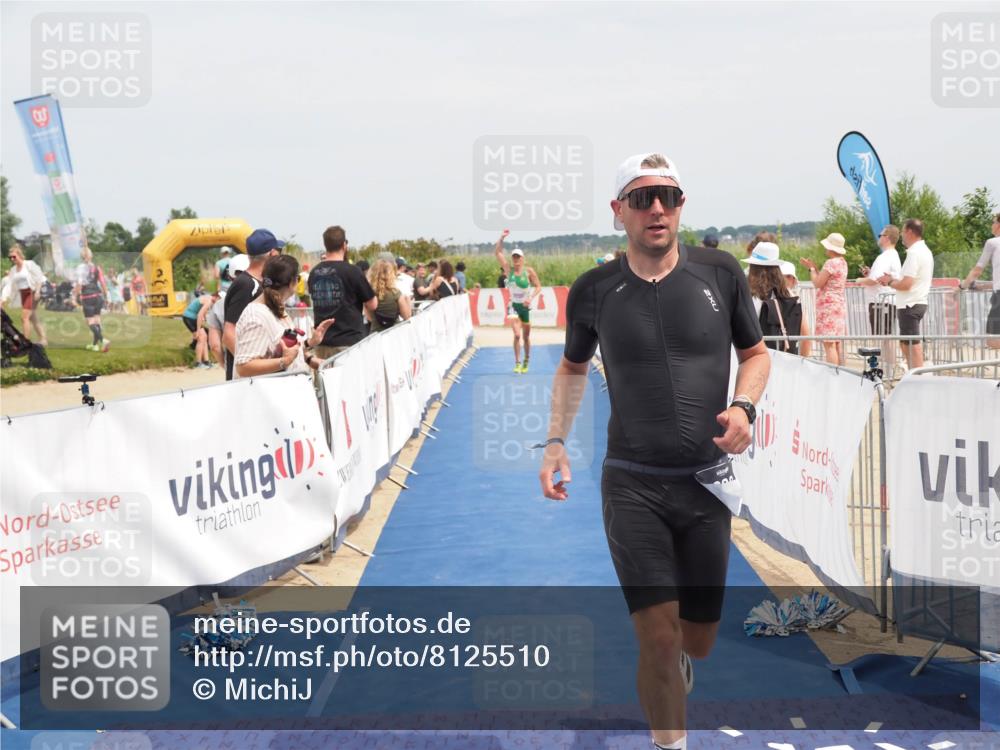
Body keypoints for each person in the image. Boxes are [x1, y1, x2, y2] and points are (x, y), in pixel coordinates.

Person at [540, 152, 769, 750]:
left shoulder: (720, 274)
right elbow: (571, 368)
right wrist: (556, 442)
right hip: (632, 483)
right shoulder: (594, 290)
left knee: (697, 639)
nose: (658, 208)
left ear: (682, 205)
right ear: (619, 211)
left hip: (705, 483)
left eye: (668, 195)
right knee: (659, 640)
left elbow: (757, 355)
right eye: (642, 198)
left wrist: (745, 407)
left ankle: (683, 664)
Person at [234, 255, 334, 379]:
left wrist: (310, 346)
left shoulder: (276, 308)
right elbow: (243, 367)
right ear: (293, 283)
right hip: (269, 396)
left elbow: (283, 350)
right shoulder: (256, 316)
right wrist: (283, 362)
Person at [308, 225, 377, 361]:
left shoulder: (314, 272)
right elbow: (373, 304)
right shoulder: (353, 271)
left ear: (325, 245)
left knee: (325, 382)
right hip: (348, 342)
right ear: (344, 245)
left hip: (322, 341)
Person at [225, 231, 284, 381]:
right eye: (279, 252)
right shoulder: (246, 284)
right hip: (250, 379)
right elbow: (229, 332)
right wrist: (249, 365)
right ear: (272, 253)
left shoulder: (257, 282)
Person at [879, 218, 934, 369]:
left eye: (903, 231)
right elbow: (909, 281)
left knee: (912, 345)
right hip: (915, 302)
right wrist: (892, 280)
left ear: (909, 232)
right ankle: (914, 375)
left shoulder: (915, 253)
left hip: (910, 304)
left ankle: (917, 379)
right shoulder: (924, 251)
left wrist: (890, 281)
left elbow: (906, 284)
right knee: (906, 343)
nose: (902, 235)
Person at [744, 242, 809, 356]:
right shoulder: (788, 294)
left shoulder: (750, 295)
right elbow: (805, 332)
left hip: (757, 357)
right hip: (786, 358)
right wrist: (803, 361)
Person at [495, 232, 542, 373]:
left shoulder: (529, 272)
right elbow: (497, 252)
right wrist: (501, 238)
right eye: (514, 257)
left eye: (518, 257)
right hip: (513, 306)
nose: (515, 259)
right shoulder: (508, 270)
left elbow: (538, 286)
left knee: (526, 337)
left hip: (525, 307)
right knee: (516, 335)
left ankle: (526, 360)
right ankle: (517, 362)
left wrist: (530, 298)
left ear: (522, 259)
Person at [801, 232, 848, 366]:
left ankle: (832, 375)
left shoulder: (831, 263)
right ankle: (843, 374)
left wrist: (811, 270)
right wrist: (814, 268)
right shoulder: (842, 262)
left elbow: (817, 283)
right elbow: (826, 278)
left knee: (829, 344)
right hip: (838, 304)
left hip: (828, 306)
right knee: (838, 343)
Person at [957, 213, 1000, 350]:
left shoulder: (993, 242)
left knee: (992, 340)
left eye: (993, 222)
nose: (992, 225)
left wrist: (962, 285)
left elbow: (978, 269)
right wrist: (982, 286)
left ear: (998, 225)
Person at [2, 245, 48, 346]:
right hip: (23, 294)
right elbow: (9, 284)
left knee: (24, 318)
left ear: (20, 255)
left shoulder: (29, 264)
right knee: (32, 317)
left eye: (14, 256)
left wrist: (37, 291)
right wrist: (2, 299)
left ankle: (25, 343)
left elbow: (39, 277)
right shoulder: (13, 269)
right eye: (10, 257)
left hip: (31, 292)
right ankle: (43, 339)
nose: (12, 259)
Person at [74, 247, 110, 352]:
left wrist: (76, 296)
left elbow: (79, 283)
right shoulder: (97, 267)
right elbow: (103, 282)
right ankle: (95, 345)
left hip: (88, 296)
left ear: (82, 256)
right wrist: (106, 295)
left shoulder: (80, 267)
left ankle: (103, 340)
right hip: (98, 295)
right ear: (91, 255)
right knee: (97, 320)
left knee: (90, 321)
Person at [367, 259, 412, 332]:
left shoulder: (369, 294)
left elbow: (369, 318)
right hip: (394, 333)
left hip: (375, 334)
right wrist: (408, 301)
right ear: (390, 275)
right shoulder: (396, 293)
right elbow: (407, 316)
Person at [777, 260, 812, 357]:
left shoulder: (764, 296)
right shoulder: (795, 300)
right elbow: (806, 335)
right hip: (789, 354)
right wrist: (803, 361)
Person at [181, 290, 216, 368]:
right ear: (216, 297)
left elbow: (202, 312)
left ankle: (206, 362)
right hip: (189, 318)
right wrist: (197, 330)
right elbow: (200, 315)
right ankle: (198, 362)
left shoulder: (209, 299)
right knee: (201, 338)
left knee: (205, 337)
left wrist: (205, 319)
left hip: (192, 318)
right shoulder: (209, 301)